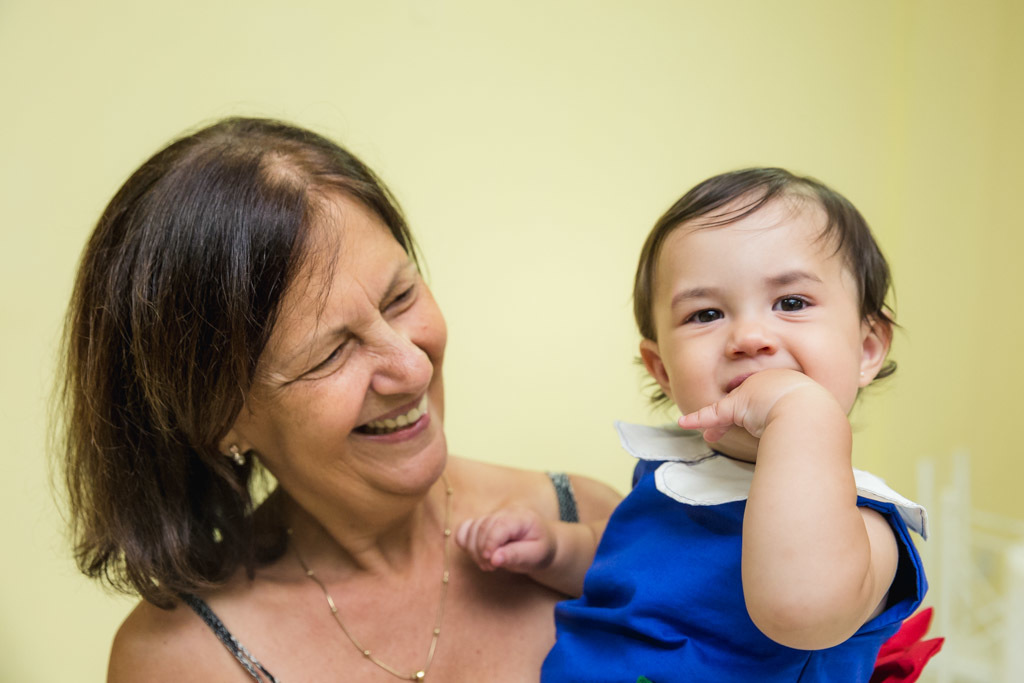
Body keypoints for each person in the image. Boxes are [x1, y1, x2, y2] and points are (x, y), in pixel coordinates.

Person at [58, 117, 621, 682]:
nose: (412, 366)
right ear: (219, 419)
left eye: (400, 296)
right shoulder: (181, 661)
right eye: (329, 355)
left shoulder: (588, 527)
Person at [457, 168, 932, 682]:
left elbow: (800, 610)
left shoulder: (864, 524)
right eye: (706, 314)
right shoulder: (668, 478)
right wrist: (556, 550)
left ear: (866, 349)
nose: (749, 336)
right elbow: (632, 563)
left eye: (791, 303)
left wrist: (801, 414)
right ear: (662, 371)